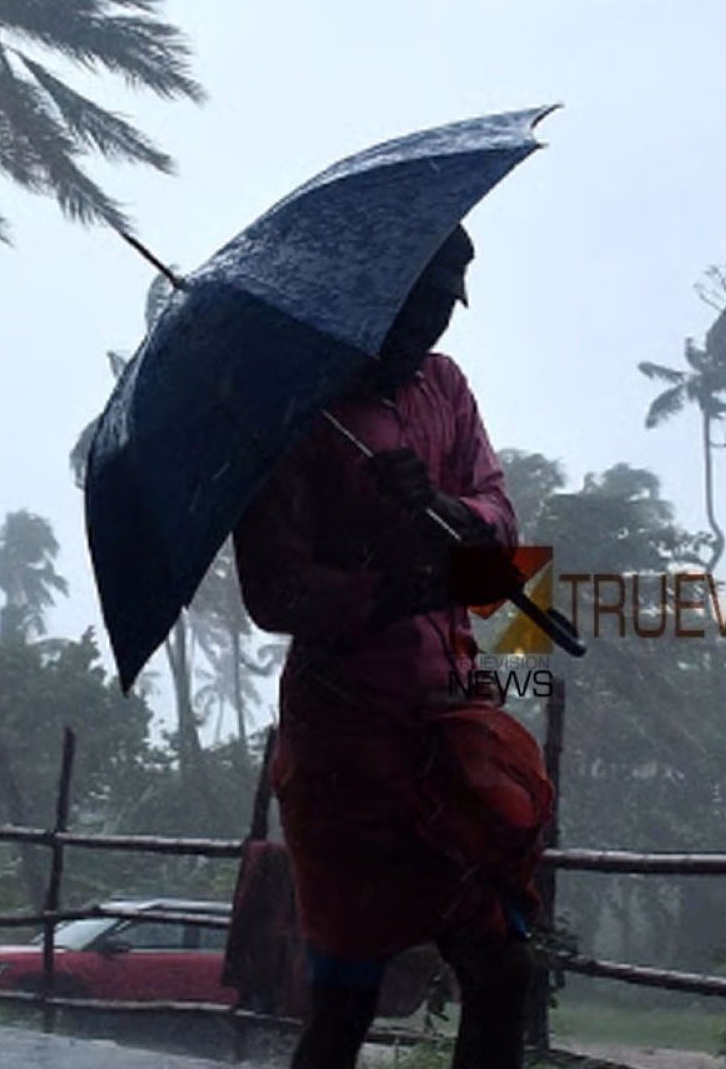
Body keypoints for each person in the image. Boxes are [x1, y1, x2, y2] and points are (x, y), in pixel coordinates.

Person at [232, 223, 553, 1069]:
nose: (432, 322)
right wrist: (386, 588)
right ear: (376, 290)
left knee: (500, 968)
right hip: (345, 747)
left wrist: (441, 508)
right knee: (344, 1002)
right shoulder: (295, 412)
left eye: (447, 303)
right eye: (419, 300)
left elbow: (498, 526)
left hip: (452, 727)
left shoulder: (445, 387)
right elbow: (272, 591)